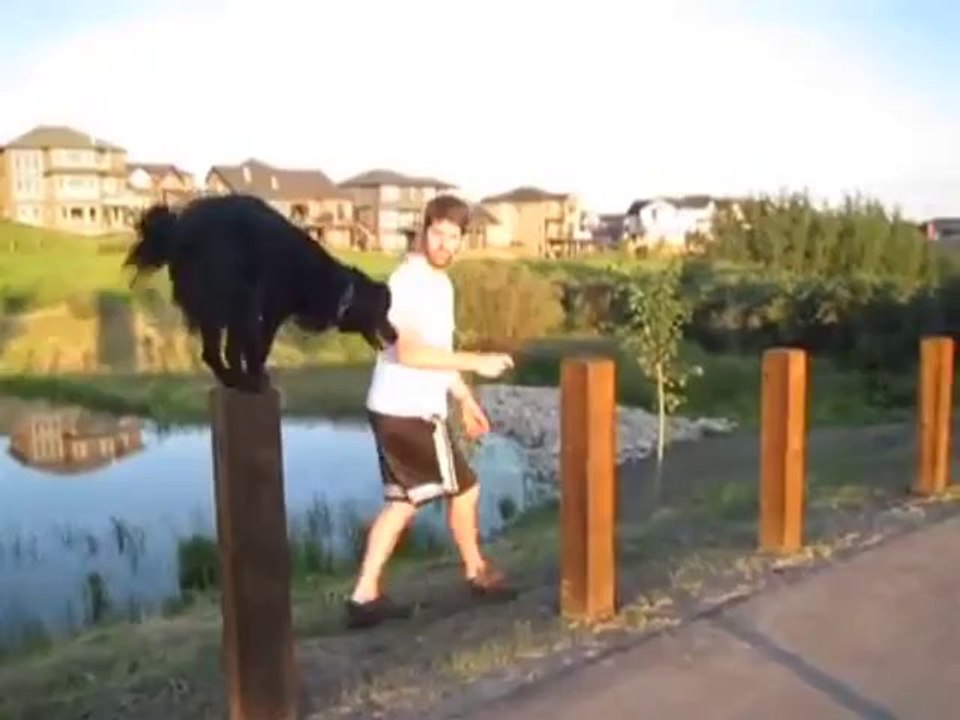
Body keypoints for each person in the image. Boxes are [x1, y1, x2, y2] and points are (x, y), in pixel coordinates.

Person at [345, 193, 516, 629]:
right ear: (423, 231)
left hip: (394, 408)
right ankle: (477, 572)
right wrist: (478, 362)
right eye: (436, 233)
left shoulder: (440, 284)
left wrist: (464, 397)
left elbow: (437, 353)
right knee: (467, 488)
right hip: (410, 413)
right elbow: (412, 353)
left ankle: (364, 597)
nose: (444, 244)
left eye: (452, 236)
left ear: (462, 240)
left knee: (401, 502)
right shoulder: (408, 283)